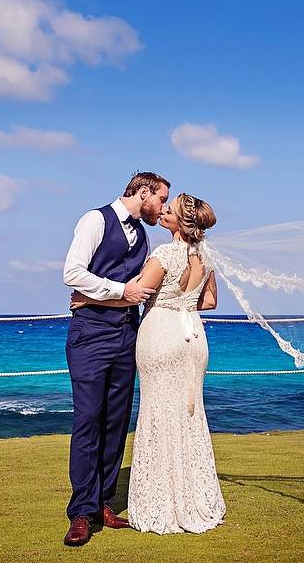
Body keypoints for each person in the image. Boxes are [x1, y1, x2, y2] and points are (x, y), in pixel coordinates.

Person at [71, 193, 226, 534]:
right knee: (189, 413)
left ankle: (162, 502)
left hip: (162, 336)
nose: (163, 212)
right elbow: (211, 301)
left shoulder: (163, 255)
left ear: (180, 223)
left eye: (169, 210)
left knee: (157, 412)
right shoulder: (205, 256)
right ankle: (193, 496)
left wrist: (86, 298)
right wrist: (182, 303)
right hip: (193, 338)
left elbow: (135, 294)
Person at [61, 172, 170, 547]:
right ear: (143, 192)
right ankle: (80, 512)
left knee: (116, 421)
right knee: (88, 419)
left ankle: (103, 503)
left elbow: (143, 290)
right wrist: (119, 291)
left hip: (128, 335)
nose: (163, 207)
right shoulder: (95, 220)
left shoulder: (143, 235)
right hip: (90, 335)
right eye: (161, 199)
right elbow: (72, 273)